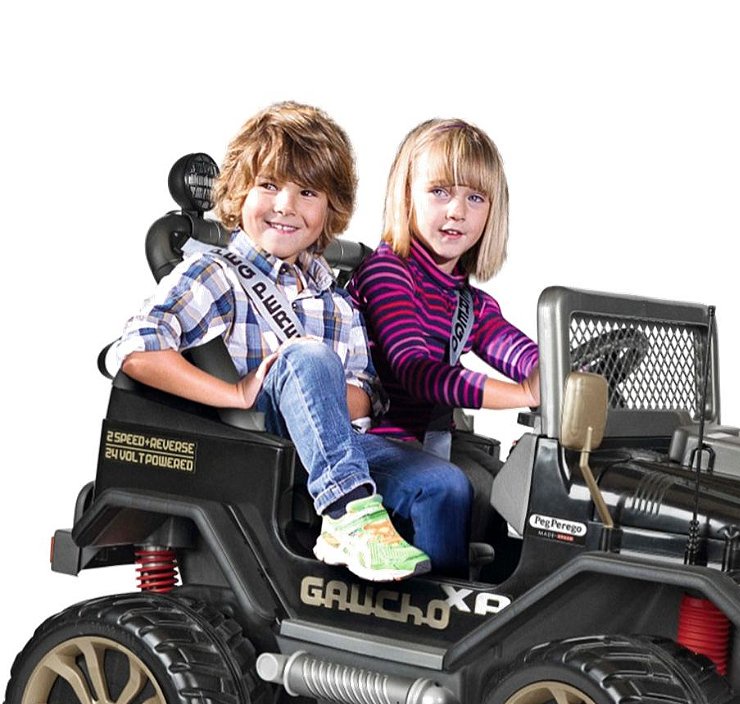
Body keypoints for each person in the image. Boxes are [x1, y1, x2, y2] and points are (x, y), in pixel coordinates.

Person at [110, 102, 472, 580]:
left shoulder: (336, 300)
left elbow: (366, 391)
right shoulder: (215, 273)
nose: (285, 205)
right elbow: (136, 351)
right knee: (308, 356)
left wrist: (320, 399)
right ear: (240, 192)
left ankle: (438, 606)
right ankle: (347, 517)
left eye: (307, 192)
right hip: (260, 443)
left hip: (344, 445)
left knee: (446, 485)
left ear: (329, 209)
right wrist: (236, 392)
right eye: (268, 185)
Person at [348, 118, 539, 550]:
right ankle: (438, 589)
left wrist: (557, 374)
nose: (457, 211)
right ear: (406, 196)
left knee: (517, 490)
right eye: (440, 192)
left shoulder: (468, 303)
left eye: (475, 197)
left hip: (430, 443)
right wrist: (522, 394)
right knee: (455, 489)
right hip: (370, 446)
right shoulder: (387, 274)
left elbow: (517, 351)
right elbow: (417, 372)